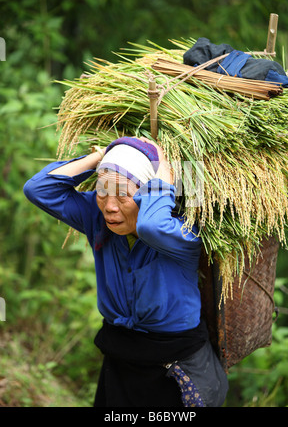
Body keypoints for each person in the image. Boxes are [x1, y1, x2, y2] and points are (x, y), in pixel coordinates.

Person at [23, 136, 228, 407]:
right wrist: (102, 157)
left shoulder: (181, 232)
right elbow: (38, 189)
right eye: (102, 192)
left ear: (149, 192)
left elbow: (151, 227)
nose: (110, 206)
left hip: (175, 365)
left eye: (122, 195)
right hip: (121, 357)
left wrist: (163, 173)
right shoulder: (97, 219)